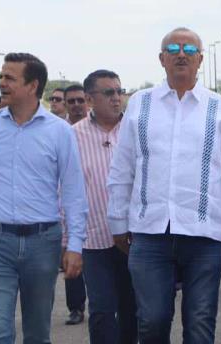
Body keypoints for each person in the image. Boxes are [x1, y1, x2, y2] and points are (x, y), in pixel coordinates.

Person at [107, 27, 221, 343]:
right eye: (173, 47)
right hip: (149, 234)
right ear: (161, 59)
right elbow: (123, 168)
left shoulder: (220, 108)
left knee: (200, 324)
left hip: (204, 235)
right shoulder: (140, 105)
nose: (181, 54)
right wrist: (118, 221)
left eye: (189, 49)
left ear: (201, 59)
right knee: (152, 321)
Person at [0, 52, 89, 344]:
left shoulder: (59, 132)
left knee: (37, 335)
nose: (1, 82)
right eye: (1, 76)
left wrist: (75, 244)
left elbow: (74, 192)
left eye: (9, 77)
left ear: (32, 85)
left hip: (42, 242)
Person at [73, 70, 137, 343]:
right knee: (101, 309)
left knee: (132, 307)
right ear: (90, 98)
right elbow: (64, 190)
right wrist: (68, 240)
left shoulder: (136, 128)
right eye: (108, 92)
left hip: (134, 236)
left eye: (119, 91)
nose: (116, 98)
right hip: (94, 239)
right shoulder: (72, 136)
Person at [63, 82, 89, 326]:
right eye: (71, 101)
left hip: (97, 205)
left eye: (80, 100)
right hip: (67, 208)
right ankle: (76, 307)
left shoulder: (99, 129)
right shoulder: (59, 131)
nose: (76, 105)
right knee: (72, 255)